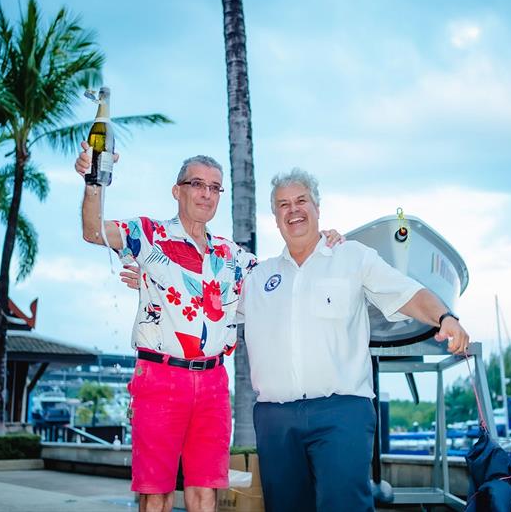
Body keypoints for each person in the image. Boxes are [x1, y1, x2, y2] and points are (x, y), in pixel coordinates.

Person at [76, 147, 340, 512]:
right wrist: (93, 181)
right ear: (177, 191)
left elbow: (285, 278)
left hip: (214, 384)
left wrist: (322, 241)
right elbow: (94, 231)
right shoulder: (149, 234)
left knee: (206, 493)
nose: (206, 194)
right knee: (157, 494)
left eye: (215, 188)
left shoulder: (233, 257)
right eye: (197, 184)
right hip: (159, 376)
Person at [238, 168, 470, 511]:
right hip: (275, 419)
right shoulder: (257, 277)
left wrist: (445, 317)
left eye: (301, 200)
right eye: (283, 204)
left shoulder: (353, 257)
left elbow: (407, 293)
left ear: (317, 207)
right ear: (275, 217)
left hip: (341, 412)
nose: (293, 210)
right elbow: (206, 308)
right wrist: (150, 281)